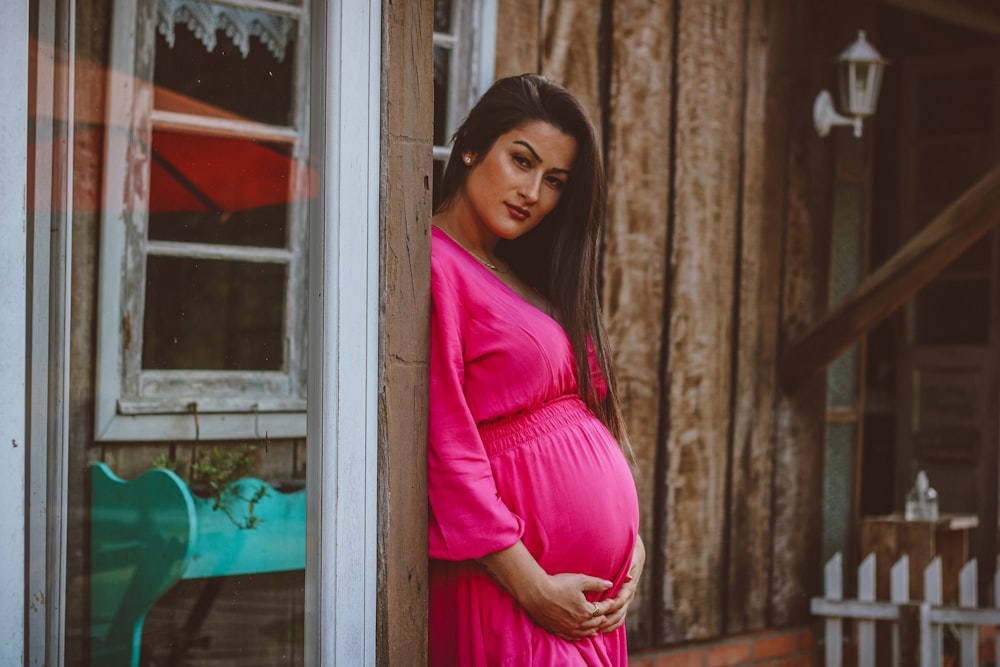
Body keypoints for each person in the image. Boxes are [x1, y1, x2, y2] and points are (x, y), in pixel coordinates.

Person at [428, 73, 644, 666]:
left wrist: (634, 551)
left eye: (554, 181)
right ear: (471, 146)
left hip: (586, 605)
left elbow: (595, 416)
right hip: (513, 591)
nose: (532, 192)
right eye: (521, 161)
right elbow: (447, 449)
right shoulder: (433, 264)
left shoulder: (523, 273)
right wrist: (530, 585)